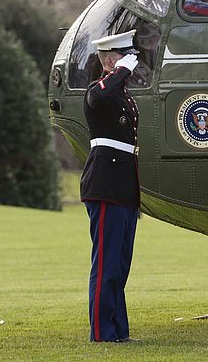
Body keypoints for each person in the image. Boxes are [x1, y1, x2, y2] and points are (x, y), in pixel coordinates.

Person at [80, 29, 141, 343]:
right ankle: (103, 332)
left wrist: (122, 72)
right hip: (105, 184)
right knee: (105, 263)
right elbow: (101, 94)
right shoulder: (99, 90)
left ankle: (118, 330)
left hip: (124, 187)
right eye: (123, 56)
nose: (131, 63)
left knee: (120, 263)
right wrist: (120, 70)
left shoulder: (121, 93)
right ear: (108, 60)